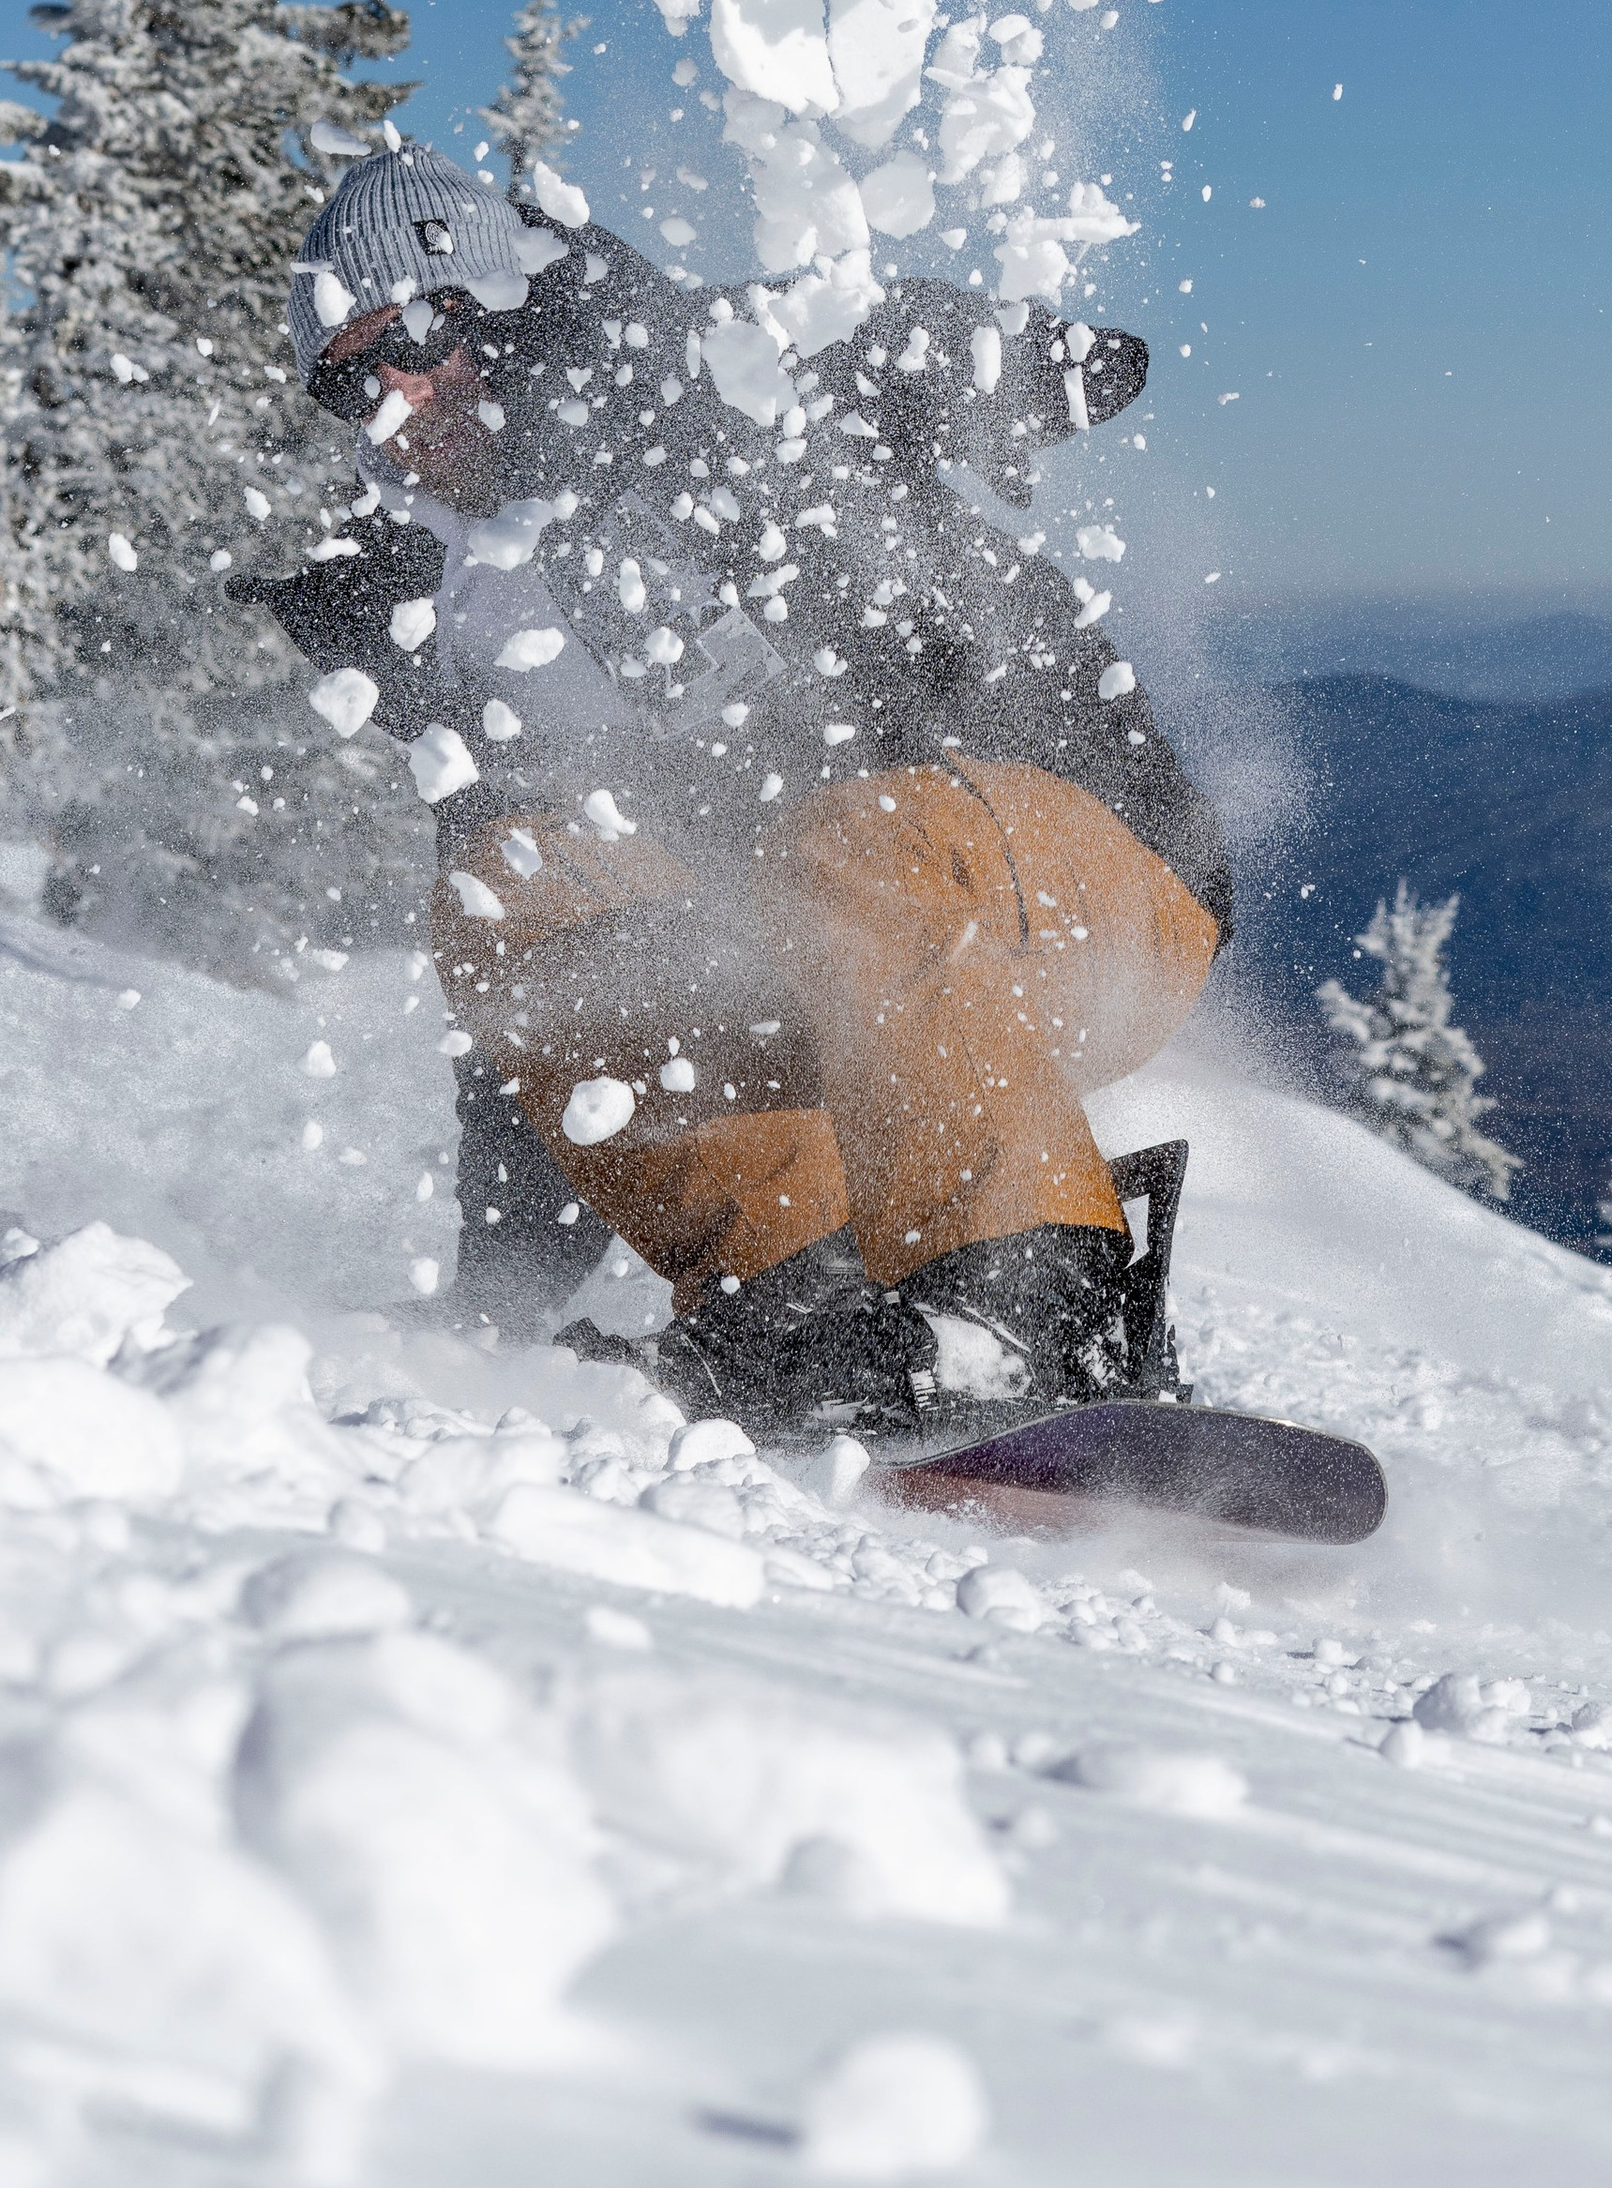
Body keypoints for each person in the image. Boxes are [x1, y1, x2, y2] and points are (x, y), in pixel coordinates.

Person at [239, 140, 1230, 1444]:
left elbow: (866, 334)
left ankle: (1036, 1311)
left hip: (1076, 880)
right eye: (350, 375)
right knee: (508, 882)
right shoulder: (460, 617)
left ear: (500, 307)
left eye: (419, 334)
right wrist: (497, 1307)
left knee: (849, 838)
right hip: (850, 973)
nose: (394, 394)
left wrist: (1013, 358)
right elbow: (541, 1006)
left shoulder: (701, 382)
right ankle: (806, 1284)